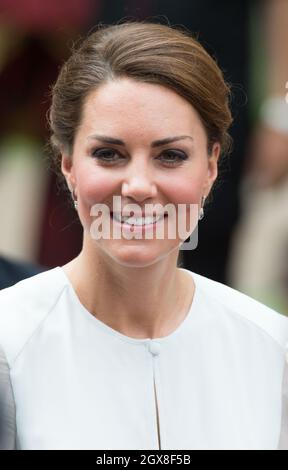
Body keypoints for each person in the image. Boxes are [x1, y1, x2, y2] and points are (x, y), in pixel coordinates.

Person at [0, 20, 287, 450]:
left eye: (170, 155)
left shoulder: (271, 346)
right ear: (68, 164)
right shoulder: (10, 340)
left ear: (210, 167)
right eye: (109, 154)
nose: (137, 185)